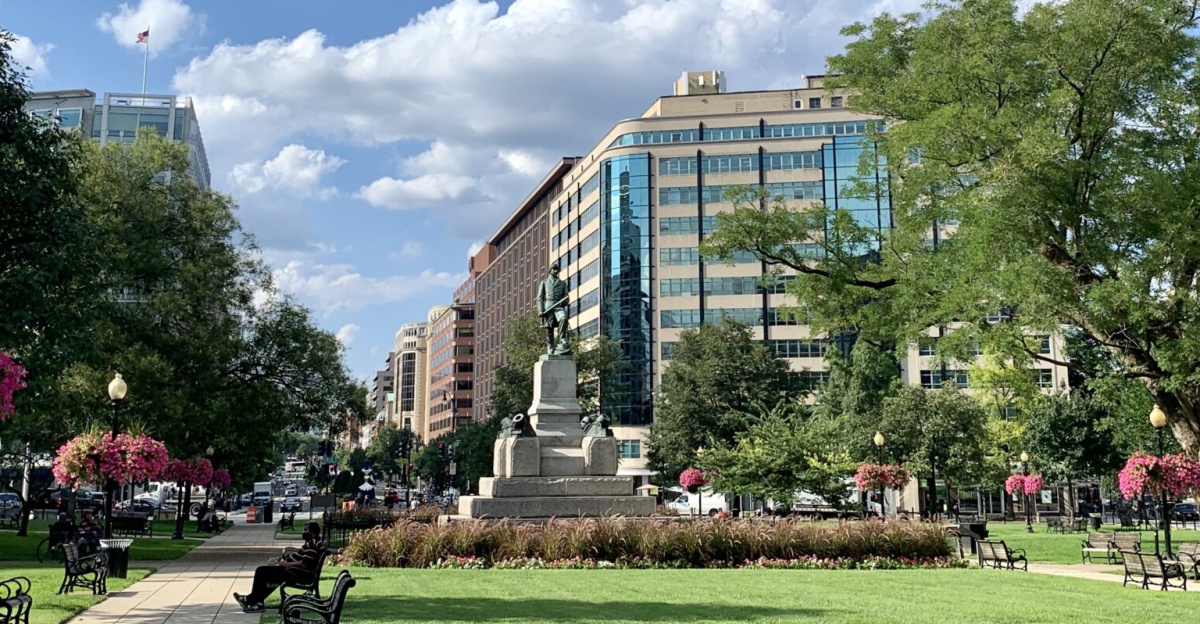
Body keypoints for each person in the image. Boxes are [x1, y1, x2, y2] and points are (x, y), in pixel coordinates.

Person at [233, 521, 324, 613]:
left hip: (297, 573)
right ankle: (252, 601)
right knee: (270, 576)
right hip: (292, 571)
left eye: (305, 530)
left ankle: (254, 602)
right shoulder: (311, 542)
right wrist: (282, 559)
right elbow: (300, 557)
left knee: (261, 571)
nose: (303, 532)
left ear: (312, 532)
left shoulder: (313, 543)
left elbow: (304, 563)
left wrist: (286, 564)